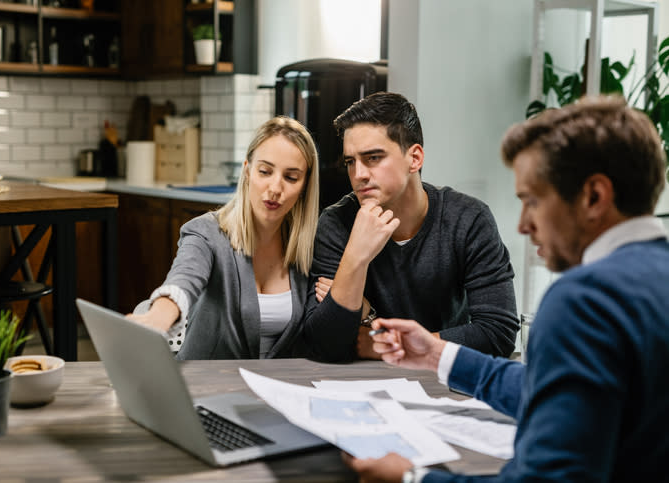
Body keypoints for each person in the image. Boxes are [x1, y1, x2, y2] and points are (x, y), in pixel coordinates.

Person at [344, 96, 669, 482]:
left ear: (594, 197)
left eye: (532, 201)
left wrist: (412, 478)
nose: (523, 224)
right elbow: (552, 390)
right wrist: (437, 354)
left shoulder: (585, 301)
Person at [304, 92, 518, 362]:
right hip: (359, 388)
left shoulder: (469, 219)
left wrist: (383, 340)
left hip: (448, 386)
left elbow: (498, 332)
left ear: (414, 158)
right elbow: (324, 348)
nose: (358, 175)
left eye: (373, 158)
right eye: (350, 162)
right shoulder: (336, 224)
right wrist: (355, 257)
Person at [128, 116, 320, 359]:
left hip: (275, 391)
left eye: (291, 177)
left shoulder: (307, 247)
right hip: (205, 388)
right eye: (265, 171)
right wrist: (159, 316)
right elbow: (183, 279)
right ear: (248, 171)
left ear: (304, 186)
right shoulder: (206, 233)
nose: (275, 187)